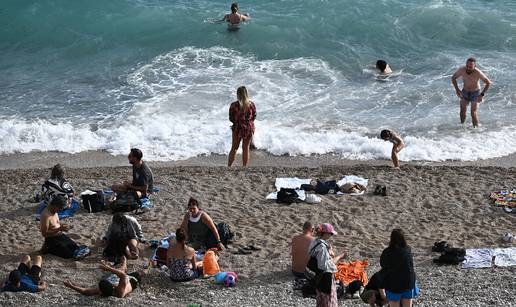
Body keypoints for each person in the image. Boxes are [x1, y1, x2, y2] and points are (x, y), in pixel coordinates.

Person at [63, 256, 147, 298]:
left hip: (119, 280)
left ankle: (123, 264)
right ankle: (126, 264)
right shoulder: (120, 291)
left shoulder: (101, 291)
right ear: (112, 287)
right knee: (140, 273)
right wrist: (108, 268)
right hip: (132, 281)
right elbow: (123, 276)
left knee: (116, 274)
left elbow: (85, 291)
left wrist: (71, 286)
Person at [308, 223, 346, 307]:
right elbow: (323, 266)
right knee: (329, 301)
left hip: (318, 277)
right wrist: (339, 257)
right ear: (325, 233)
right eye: (330, 234)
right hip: (325, 278)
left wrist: (328, 252)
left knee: (321, 300)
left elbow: (316, 256)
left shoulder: (314, 241)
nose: (331, 235)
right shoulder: (322, 247)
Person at [380, 229, 419, 307]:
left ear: (391, 238)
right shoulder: (408, 249)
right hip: (408, 282)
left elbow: (382, 264)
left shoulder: (387, 252)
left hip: (393, 284)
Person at [40, 195, 87, 259]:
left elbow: (56, 223)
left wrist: (62, 226)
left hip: (59, 235)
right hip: (51, 239)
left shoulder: (55, 211)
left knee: (75, 248)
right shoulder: (46, 215)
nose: (61, 210)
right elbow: (44, 234)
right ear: (55, 205)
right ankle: (48, 248)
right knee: (69, 255)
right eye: (60, 208)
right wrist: (59, 229)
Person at [451, 57, 492, 127]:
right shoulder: (462, 70)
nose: (468, 68)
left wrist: (481, 95)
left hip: (475, 93)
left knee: (473, 113)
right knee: (462, 111)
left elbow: (488, 83)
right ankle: (462, 127)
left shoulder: (478, 72)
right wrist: (457, 90)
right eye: (467, 66)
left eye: (470, 67)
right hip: (465, 92)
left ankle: (476, 130)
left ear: (474, 66)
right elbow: (453, 78)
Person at [228, 86, 257, 167]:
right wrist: (248, 123)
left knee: (234, 148)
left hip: (237, 128)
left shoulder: (234, 105)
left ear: (238, 94)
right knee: (246, 148)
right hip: (248, 128)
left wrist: (238, 122)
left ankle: (229, 166)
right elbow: (254, 116)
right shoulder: (251, 105)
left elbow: (231, 118)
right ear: (246, 94)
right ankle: (244, 167)